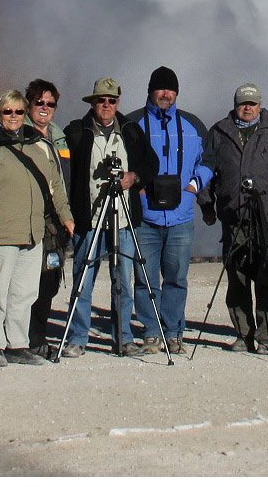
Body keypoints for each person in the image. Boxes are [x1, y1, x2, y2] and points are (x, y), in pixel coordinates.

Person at [0, 89, 75, 367]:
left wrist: (66, 215)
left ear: (25, 115)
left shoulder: (39, 146)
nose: (13, 117)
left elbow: (55, 187)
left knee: (25, 293)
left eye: (18, 112)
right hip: (0, 234)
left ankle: (17, 344)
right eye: (7, 112)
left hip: (33, 234)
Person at [201, 83, 268, 355]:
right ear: (235, 105)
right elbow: (204, 171)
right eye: (243, 103)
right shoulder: (219, 132)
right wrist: (206, 206)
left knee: (266, 274)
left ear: (260, 105)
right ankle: (242, 334)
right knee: (237, 276)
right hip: (233, 215)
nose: (248, 108)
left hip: (266, 214)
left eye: (253, 103)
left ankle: (266, 336)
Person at [61, 77, 158, 358]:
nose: (106, 105)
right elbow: (64, 170)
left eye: (111, 100)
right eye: (101, 100)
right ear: (92, 102)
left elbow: (151, 163)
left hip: (123, 220)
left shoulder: (131, 131)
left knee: (123, 282)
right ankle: (77, 338)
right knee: (83, 281)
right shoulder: (76, 132)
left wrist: (134, 177)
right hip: (88, 219)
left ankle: (123, 338)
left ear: (117, 103)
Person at [126, 66, 215, 355]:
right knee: (145, 278)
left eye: (170, 89)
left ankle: (174, 331)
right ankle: (152, 331)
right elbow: (121, 158)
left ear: (176, 93)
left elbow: (209, 160)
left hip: (180, 217)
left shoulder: (192, 124)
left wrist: (193, 187)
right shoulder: (132, 123)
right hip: (145, 217)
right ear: (150, 91)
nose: (165, 94)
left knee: (176, 278)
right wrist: (136, 190)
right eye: (160, 88)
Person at [23, 79, 71, 360]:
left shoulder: (59, 136)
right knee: (27, 283)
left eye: (50, 104)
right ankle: (25, 339)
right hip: (29, 221)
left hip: (55, 225)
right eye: (38, 102)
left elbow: (65, 177)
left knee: (49, 282)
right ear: (29, 105)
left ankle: (36, 337)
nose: (44, 108)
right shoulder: (19, 135)